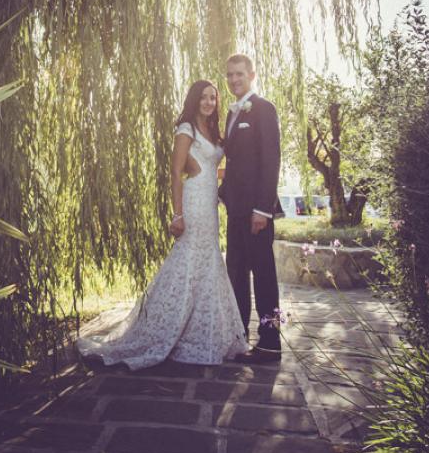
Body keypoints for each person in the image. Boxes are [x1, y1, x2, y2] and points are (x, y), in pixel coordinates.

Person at [77, 80, 249, 369]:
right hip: (193, 202)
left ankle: (201, 334)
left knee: (207, 263)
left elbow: (211, 168)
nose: (209, 102)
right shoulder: (186, 129)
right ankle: (161, 326)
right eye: (204, 97)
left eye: (213, 98)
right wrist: (177, 215)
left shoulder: (212, 130)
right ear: (194, 100)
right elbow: (175, 172)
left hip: (210, 205)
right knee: (187, 260)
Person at [219, 53, 283, 362]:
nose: (234, 79)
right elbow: (235, 163)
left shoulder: (263, 109)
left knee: (264, 274)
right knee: (237, 273)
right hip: (235, 209)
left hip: (256, 211)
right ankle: (239, 334)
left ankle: (270, 342)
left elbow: (271, 160)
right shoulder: (231, 113)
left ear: (252, 75)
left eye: (239, 74)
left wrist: (263, 209)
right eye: (230, 75)